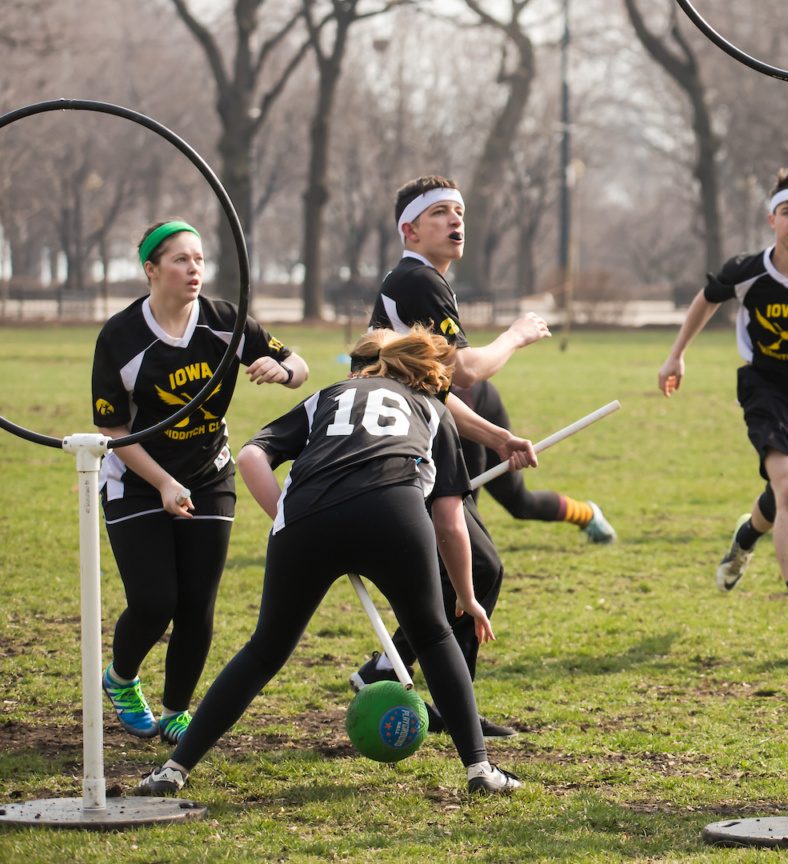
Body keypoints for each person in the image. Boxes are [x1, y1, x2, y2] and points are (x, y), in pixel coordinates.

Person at [133, 327, 522, 798]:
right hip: (392, 514)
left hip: (306, 517)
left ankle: (173, 769)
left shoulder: (331, 394)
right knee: (435, 635)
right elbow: (449, 519)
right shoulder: (433, 410)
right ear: (430, 379)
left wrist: (287, 517)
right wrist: (464, 594)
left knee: (263, 651)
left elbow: (253, 455)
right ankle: (480, 769)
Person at [91, 220, 310, 742]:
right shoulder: (120, 337)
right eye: (180, 260)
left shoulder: (224, 322)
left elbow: (299, 365)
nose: (194, 270)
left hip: (209, 474)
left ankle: (175, 711)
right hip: (137, 478)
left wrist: (282, 372)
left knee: (196, 604)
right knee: (154, 600)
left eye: (200, 260)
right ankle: (121, 678)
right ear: (151, 269)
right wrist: (164, 483)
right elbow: (112, 428)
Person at [347, 176, 541, 738]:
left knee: (456, 573)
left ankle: (387, 672)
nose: (456, 221)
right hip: (405, 443)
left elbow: (433, 384)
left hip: (418, 433)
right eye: (440, 213)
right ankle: (452, 708)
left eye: (460, 211)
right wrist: (517, 335)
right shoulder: (416, 280)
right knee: (477, 569)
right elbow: (466, 370)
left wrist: (496, 436)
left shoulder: (423, 282)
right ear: (409, 228)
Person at [657, 167, 788, 652]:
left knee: (781, 497)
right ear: (772, 219)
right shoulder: (748, 270)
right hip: (765, 387)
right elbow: (706, 299)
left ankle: (746, 536)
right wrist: (676, 355)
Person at [460, 379, 616, 543]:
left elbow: (468, 371)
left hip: (476, 412)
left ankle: (586, 513)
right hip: (445, 426)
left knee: (517, 504)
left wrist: (510, 350)